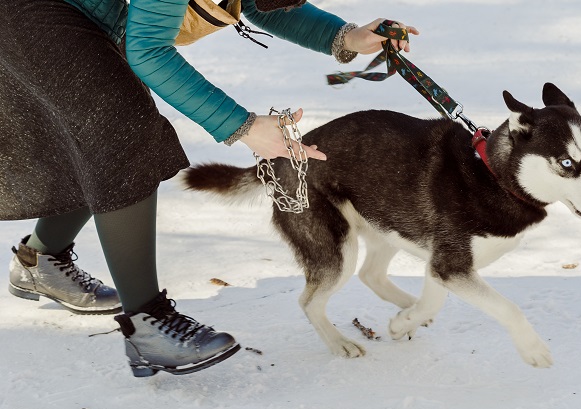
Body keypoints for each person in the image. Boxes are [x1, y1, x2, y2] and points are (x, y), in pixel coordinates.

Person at [0, 0, 418, 377]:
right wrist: (243, 126)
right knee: (121, 132)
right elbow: (148, 49)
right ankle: (147, 325)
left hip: (90, 12)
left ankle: (40, 260)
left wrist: (344, 36)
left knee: (97, 139)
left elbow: (258, 3)